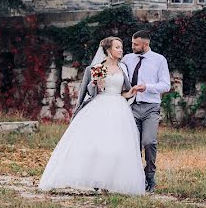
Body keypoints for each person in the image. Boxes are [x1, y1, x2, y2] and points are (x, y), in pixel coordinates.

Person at [38, 36, 147, 195]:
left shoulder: (122, 68)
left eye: (121, 47)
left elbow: (124, 92)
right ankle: (93, 179)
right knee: (95, 144)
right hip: (100, 107)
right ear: (109, 50)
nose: (121, 50)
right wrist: (96, 84)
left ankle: (109, 181)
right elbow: (90, 92)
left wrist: (133, 91)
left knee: (116, 145)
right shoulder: (97, 68)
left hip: (119, 108)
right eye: (117, 47)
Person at [121, 30, 170, 192]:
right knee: (133, 145)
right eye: (132, 43)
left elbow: (166, 85)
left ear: (145, 44)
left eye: (136, 44)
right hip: (131, 106)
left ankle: (150, 176)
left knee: (149, 142)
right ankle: (135, 179)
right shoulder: (127, 59)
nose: (132, 46)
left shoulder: (159, 60)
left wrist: (147, 87)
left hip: (150, 108)